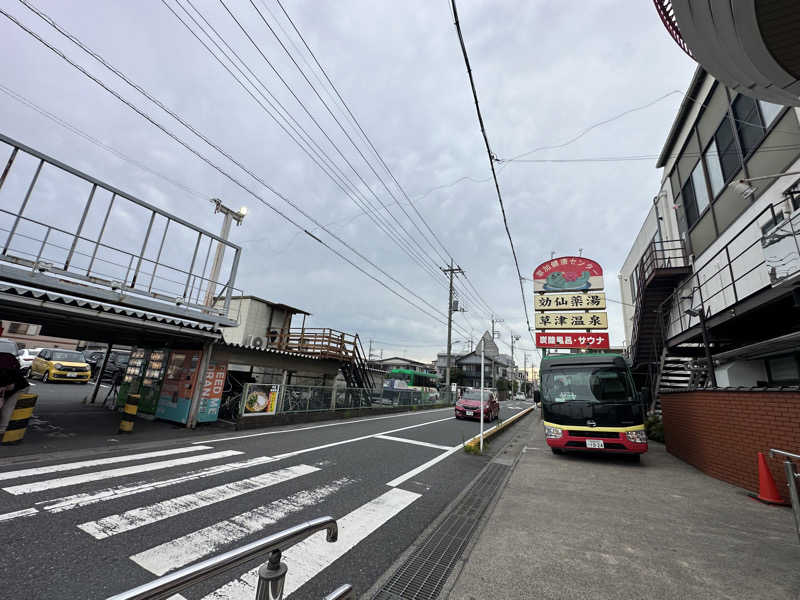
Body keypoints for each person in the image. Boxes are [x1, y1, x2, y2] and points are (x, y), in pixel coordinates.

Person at [0, 352, 30, 439]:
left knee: (7, 408)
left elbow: (10, 386)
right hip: (7, 385)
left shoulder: (3, 368)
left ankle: (2, 432)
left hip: (19, 387)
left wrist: (1, 397)